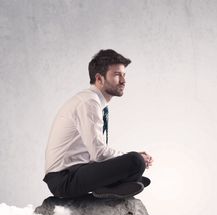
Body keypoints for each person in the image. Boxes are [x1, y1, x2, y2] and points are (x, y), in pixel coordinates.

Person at [43, 49, 152, 199]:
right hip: (64, 179)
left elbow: (95, 156)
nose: (123, 81)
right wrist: (132, 157)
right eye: (117, 75)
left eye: (124, 75)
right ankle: (112, 185)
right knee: (135, 161)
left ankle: (108, 186)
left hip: (79, 171)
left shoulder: (96, 103)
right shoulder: (89, 102)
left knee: (136, 166)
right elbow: (99, 153)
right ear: (99, 79)